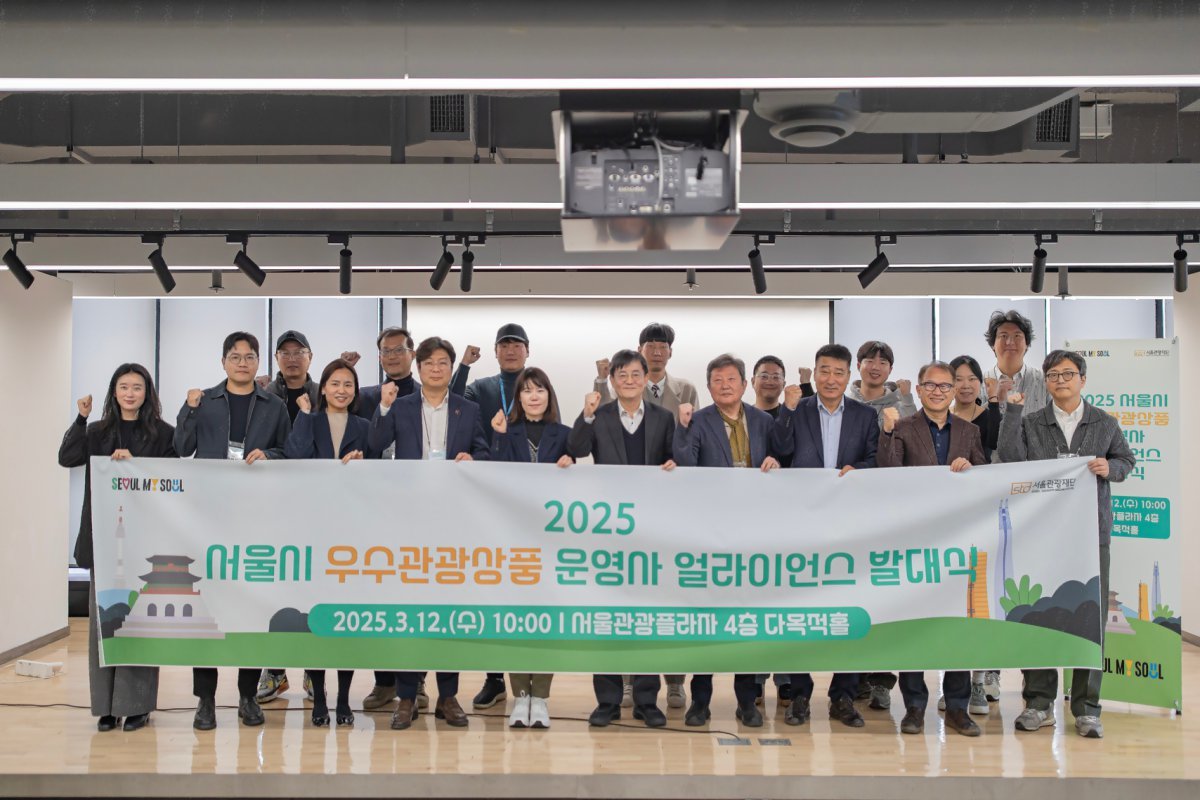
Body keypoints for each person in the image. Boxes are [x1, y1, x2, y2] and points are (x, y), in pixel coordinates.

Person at [999, 349, 1136, 739]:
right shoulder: (1032, 422)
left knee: (1090, 620)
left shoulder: (1104, 423)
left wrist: (1111, 468)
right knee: (1040, 614)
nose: (1060, 380)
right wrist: (1012, 412)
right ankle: (1039, 703)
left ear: (1082, 380)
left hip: (1092, 535)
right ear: (1046, 382)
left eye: (1068, 374)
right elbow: (1009, 458)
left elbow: (1126, 460)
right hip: (1043, 535)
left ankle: (1087, 708)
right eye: (1053, 375)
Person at [368, 336, 489, 730]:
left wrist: (473, 457)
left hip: (453, 523)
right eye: (429, 363)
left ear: (452, 368)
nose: (436, 369)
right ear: (418, 369)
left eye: (443, 363)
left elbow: (484, 451)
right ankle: (406, 697)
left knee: (448, 610)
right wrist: (383, 407)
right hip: (409, 522)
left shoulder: (468, 409)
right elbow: (375, 444)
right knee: (409, 610)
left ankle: (448, 697)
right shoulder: (401, 406)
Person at [175, 331, 291, 730]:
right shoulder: (204, 400)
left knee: (250, 611)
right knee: (206, 611)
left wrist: (269, 455)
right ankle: (205, 701)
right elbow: (181, 447)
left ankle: (247, 696)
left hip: (255, 519)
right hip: (208, 519)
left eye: (250, 356)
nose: (243, 363)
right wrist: (189, 410)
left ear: (259, 362)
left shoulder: (274, 405)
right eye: (235, 356)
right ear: (223, 361)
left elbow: (289, 451)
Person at [59, 363, 176, 733]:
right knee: (104, 625)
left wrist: (137, 466)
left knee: (140, 623)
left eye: (137, 387)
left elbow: (174, 479)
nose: (130, 393)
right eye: (123, 386)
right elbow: (67, 458)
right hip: (103, 540)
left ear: (147, 393)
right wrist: (81, 418)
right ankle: (106, 706)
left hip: (144, 541)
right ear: (114, 391)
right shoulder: (96, 431)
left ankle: (137, 705)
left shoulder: (163, 433)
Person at [876, 360, 986, 737]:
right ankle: (914, 706)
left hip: (957, 543)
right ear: (919, 390)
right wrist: (887, 433)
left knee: (957, 625)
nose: (938, 392)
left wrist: (971, 469)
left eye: (945, 386)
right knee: (915, 624)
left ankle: (957, 706)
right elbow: (887, 474)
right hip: (915, 542)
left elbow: (985, 478)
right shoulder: (902, 427)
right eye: (930, 385)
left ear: (953, 391)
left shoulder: (970, 431)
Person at [568, 348, 677, 728]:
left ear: (646, 378)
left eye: (635, 374)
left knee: (648, 617)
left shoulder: (664, 418)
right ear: (612, 380)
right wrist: (585, 414)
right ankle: (608, 701)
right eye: (622, 375)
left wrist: (674, 463)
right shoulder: (599, 416)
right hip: (610, 530)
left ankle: (647, 700)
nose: (629, 381)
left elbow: (675, 458)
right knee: (606, 616)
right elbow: (576, 449)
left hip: (651, 532)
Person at [772, 343, 878, 729]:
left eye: (838, 372)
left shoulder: (865, 416)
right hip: (801, 527)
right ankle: (799, 693)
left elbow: (875, 459)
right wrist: (786, 410)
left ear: (849, 376)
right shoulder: (795, 410)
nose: (831, 379)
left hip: (848, 528)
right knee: (799, 610)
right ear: (814, 373)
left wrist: (859, 471)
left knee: (849, 608)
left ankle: (843, 696)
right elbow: (779, 452)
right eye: (824, 371)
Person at [673, 354, 781, 728]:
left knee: (746, 620)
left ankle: (746, 701)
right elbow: (685, 466)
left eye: (731, 379)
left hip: (753, 535)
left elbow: (783, 459)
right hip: (711, 535)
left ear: (744, 384)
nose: (724, 385)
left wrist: (776, 463)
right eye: (717, 380)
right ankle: (700, 701)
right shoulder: (698, 421)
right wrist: (682, 427)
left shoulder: (764, 421)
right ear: (708, 387)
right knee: (706, 620)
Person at [593, 322, 696, 707]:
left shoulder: (682, 395)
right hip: (616, 517)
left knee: (661, 602)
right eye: (649, 345)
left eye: (662, 345)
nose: (656, 351)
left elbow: (684, 445)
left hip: (660, 515)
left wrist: (676, 459)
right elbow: (588, 439)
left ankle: (668, 683)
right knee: (618, 603)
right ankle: (621, 683)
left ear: (669, 352)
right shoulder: (609, 400)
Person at [284, 357, 379, 726]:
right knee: (316, 619)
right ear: (322, 388)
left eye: (348, 384)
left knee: (344, 621)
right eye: (335, 383)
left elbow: (379, 472)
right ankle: (319, 698)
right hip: (314, 532)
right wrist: (304, 415)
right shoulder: (309, 419)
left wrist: (363, 462)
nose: (342, 390)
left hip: (352, 536)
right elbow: (295, 456)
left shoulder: (364, 426)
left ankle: (343, 700)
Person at [345, 326, 429, 712]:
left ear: (412, 353)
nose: (392, 356)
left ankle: (418, 682)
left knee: (416, 595)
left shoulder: (427, 394)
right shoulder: (364, 397)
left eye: (399, 350)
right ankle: (383, 682)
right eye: (386, 351)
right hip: (373, 509)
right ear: (378, 357)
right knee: (377, 594)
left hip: (417, 510)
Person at [453, 322, 532, 710]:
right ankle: (494, 678)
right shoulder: (481, 388)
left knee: (522, 590)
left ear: (527, 351)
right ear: (496, 351)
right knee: (489, 587)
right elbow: (451, 404)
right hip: (483, 498)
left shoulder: (536, 385)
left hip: (525, 502)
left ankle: (527, 677)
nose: (511, 350)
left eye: (517, 344)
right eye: (505, 345)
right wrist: (464, 366)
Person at [489, 366, 574, 728]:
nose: (534, 396)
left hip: (551, 542)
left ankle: (540, 697)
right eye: (527, 391)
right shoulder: (506, 433)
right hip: (514, 539)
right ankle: (520, 695)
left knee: (546, 619)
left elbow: (576, 482)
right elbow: (492, 477)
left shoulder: (565, 435)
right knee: (516, 619)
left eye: (540, 390)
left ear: (549, 395)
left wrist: (571, 465)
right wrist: (497, 438)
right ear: (519, 399)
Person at [977, 308, 1050, 701]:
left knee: (1030, 582)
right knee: (988, 579)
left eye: (1017, 336)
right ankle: (986, 670)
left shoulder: (1043, 380)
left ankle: (1032, 674)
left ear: (1027, 343)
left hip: (1033, 493)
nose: (1009, 341)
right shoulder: (978, 381)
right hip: (988, 491)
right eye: (1002, 335)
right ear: (993, 344)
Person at [849, 340, 916, 426]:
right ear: (858, 366)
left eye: (882, 363)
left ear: (890, 370)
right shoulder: (845, 404)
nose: (876, 367)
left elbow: (914, 431)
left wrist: (907, 399)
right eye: (870, 361)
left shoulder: (899, 407)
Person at [950, 354, 1002, 462]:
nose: (966, 385)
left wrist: (993, 398)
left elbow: (996, 445)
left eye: (972, 379)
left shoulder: (991, 417)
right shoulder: (940, 417)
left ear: (981, 383)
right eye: (958, 379)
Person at [750, 355, 812, 420]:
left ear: (783, 384)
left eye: (776, 377)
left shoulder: (790, 417)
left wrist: (806, 385)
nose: (770, 382)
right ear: (753, 382)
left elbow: (812, 418)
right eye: (764, 376)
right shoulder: (744, 417)